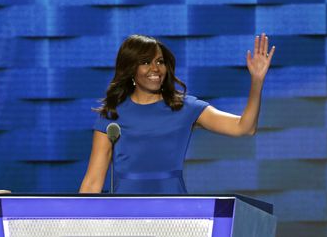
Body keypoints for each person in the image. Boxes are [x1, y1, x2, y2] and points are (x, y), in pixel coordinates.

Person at [79, 34, 275, 194]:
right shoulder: (112, 114)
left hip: (174, 212)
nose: (155, 68)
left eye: (160, 61)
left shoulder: (185, 107)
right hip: (125, 213)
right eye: (146, 62)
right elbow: (93, 182)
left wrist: (257, 82)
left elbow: (245, 127)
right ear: (131, 69)